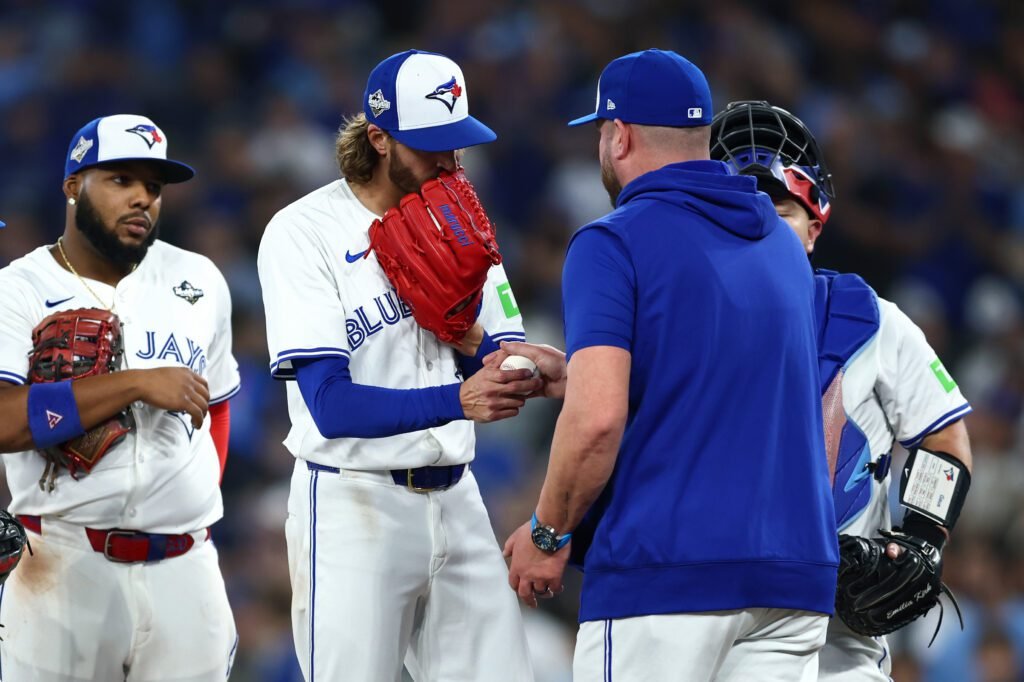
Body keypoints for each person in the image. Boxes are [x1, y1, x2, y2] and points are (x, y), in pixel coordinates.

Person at [500, 49, 838, 682]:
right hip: (792, 580)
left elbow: (598, 422)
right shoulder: (778, 239)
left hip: (667, 577)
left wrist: (548, 532)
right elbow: (737, 377)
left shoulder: (612, 241)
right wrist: (578, 373)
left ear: (619, 135)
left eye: (601, 132)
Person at [257, 49, 540, 682]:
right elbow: (330, 406)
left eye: (457, 141)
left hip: (458, 496)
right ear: (379, 139)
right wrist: (456, 400)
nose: (450, 159)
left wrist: (481, 347)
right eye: (431, 145)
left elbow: (504, 363)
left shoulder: (462, 220)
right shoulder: (303, 231)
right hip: (354, 506)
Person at [709, 99, 974, 681]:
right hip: (705, 620)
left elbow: (946, 438)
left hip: (834, 639)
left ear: (815, 224)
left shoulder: (873, 322)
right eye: (734, 208)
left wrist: (924, 540)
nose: (755, 222)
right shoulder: (671, 326)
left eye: (777, 206)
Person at [0, 114, 240, 680]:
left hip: (186, 569)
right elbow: (4, 422)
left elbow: (220, 405)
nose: (142, 199)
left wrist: (194, 501)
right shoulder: (20, 287)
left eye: (153, 187)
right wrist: (135, 383)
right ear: (72, 186)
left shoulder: (199, 279)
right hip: (63, 564)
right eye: (120, 180)